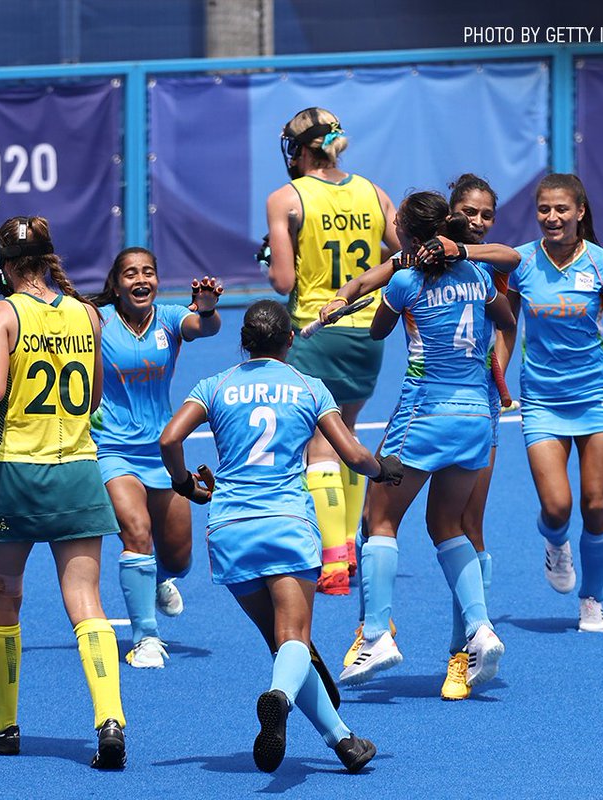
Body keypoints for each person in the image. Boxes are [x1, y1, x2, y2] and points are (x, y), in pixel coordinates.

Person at [159, 299, 399, 774]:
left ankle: (344, 742)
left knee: (284, 645)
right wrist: (383, 470)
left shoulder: (215, 386)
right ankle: (278, 697)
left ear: (244, 343)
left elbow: (169, 439)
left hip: (230, 530)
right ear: (290, 341)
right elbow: (351, 454)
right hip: (287, 524)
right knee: (294, 638)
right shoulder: (309, 387)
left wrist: (185, 483)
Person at [322, 174, 520, 700]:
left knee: (378, 519)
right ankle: (480, 630)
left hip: (424, 413)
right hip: (477, 417)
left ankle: (375, 635)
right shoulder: (479, 276)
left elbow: (376, 331)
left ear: (409, 238)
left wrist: (393, 285)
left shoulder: (407, 283)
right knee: (447, 525)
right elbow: (502, 316)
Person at [0, 210, 126, 770]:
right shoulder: (87, 316)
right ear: (49, 259)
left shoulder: (0, 313)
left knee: (2, 594)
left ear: (3, 264)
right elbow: (94, 398)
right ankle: (110, 720)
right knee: (87, 603)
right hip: (77, 471)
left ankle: (2, 727)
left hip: (17, 474)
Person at [507, 174, 603, 634]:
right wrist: (496, 379)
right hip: (542, 400)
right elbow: (506, 328)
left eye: (561, 210)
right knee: (556, 508)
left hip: (595, 397)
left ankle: (593, 598)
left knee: (594, 503)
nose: (552, 217)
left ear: (580, 211)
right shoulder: (523, 263)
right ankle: (555, 544)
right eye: (544, 209)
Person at [264, 107, 401, 595]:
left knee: (319, 441)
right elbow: (400, 252)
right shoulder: (373, 191)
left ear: (301, 149)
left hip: (317, 328)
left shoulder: (287, 198)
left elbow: (283, 280)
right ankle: (347, 546)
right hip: (369, 329)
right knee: (349, 430)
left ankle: (332, 561)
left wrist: (274, 257)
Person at [89, 247, 222, 668]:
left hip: (162, 450)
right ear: (117, 283)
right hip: (112, 448)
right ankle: (145, 638)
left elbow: (204, 327)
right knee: (136, 531)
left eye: (148, 271)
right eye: (131, 273)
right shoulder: (99, 320)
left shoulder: (168, 318)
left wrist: (206, 308)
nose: (140, 279)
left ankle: (161, 579)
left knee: (180, 558)